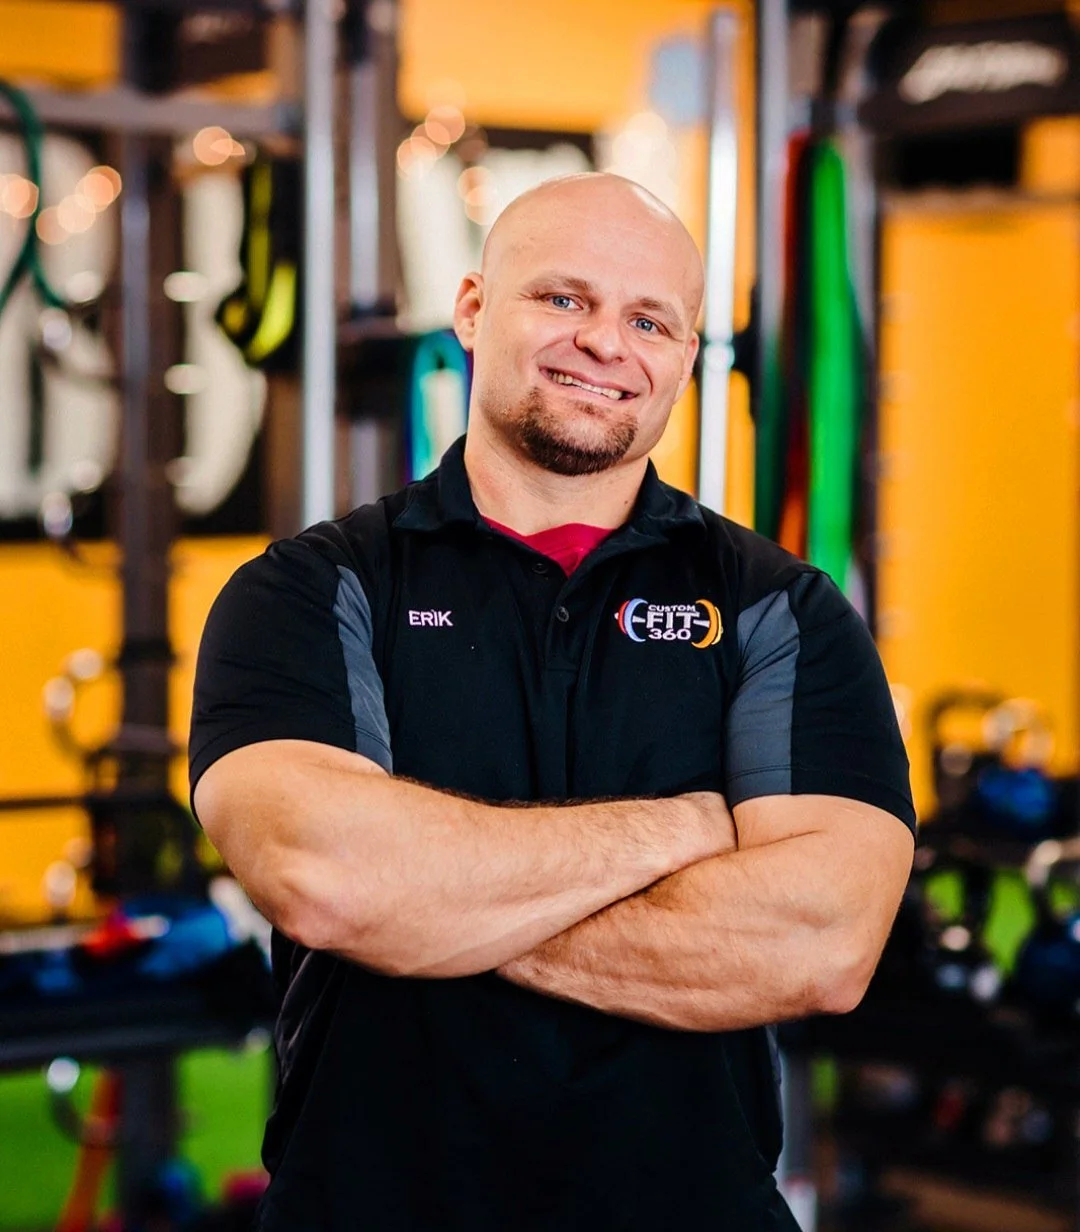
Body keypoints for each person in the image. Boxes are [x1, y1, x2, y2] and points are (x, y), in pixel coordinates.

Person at [190, 173, 915, 1231]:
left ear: (685, 353)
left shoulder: (781, 609)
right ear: (475, 309)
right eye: (564, 299)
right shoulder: (308, 589)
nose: (606, 344)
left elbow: (825, 942)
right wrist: (689, 826)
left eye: (649, 319)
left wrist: (432, 906)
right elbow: (330, 880)